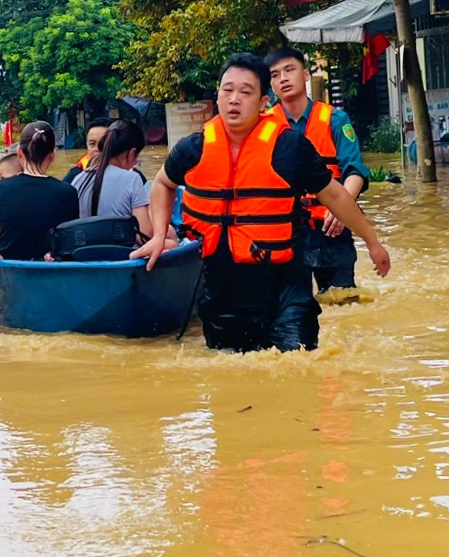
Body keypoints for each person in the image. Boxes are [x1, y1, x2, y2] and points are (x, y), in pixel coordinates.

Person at [131, 54, 390, 353]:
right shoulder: (195, 148)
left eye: (245, 92)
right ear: (217, 95)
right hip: (222, 292)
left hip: (284, 292)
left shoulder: (289, 147)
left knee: (298, 369)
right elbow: (163, 183)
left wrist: (372, 242)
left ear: (263, 101)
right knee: (230, 383)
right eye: (227, 90)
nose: (234, 99)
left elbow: (333, 195)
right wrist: (159, 236)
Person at [267, 47, 369, 295]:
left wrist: (342, 206)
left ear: (305, 74)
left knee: (342, 303)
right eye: (275, 74)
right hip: (282, 231)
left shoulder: (335, 119)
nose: (283, 78)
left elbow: (354, 170)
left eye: (289, 70)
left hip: (330, 228)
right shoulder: (263, 126)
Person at [71, 120, 175, 248]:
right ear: (131, 153)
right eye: (136, 157)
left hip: (85, 251)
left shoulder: (77, 179)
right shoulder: (132, 179)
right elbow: (144, 236)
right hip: (121, 253)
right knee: (172, 239)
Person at [0, 121, 79, 260]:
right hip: (51, 266)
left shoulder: (1, 188)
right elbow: (69, 239)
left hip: (11, 264)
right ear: (52, 155)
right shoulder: (69, 192)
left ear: (19, 153)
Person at [63, 118, 114, 185]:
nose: (97, 149)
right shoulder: (76, 175)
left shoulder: (130, 175)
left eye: (103, 143)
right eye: (92, 144)